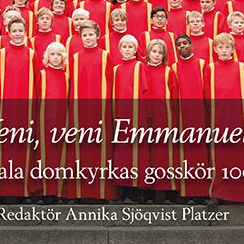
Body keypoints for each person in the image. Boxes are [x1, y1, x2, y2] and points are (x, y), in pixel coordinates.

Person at [203, 33, 244, 204]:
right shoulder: (210, 68)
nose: (224, 50)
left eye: (227, 47)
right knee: (220, 155)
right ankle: (218, 193)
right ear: (215, 49)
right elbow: (206, 94)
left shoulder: (242, 68)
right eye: (221, 47)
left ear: (233, 49)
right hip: (219, 116)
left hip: (239, 115)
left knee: (242, 154)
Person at [0, 16, 38, 199]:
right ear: (8, 33)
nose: (17, 34)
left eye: (20, 31)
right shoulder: (2, 53)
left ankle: (23, 191)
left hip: (25, 109)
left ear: (26, 33)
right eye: (14, 31)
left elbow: (37, 82)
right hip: (5, 108)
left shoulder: (32, 54)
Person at [69, 21, 117, 201]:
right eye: (84, 35)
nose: (88, 38)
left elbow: (110, 83)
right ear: (80, 37)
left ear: (97, 35)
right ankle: (79, 192)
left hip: (100, 108)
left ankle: (103, 192)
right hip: (80, 108)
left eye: (91, 34)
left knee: (101, 149)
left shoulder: (106, 56)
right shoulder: (75, 57)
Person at [112, 34, 150, 200]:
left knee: (136, 151)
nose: (127, 50)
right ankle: (124, 189)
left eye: (130, 47)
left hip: (136, 115)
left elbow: (145, 91)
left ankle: (136, 191)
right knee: (122, 153)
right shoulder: (116, 69)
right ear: (119, 49)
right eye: (124, 47)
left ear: (136, 50)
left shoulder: (139, 66)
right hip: (121, 115)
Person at [172, 34, 209, 200]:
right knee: (185, 153)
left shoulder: (202, 64)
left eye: (185, 43)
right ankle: (186, 192)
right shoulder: (173, 67)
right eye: (178, 44)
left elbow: (208, 89)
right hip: (182, 114)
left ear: (191, 45)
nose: (182, 47)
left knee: (201, 152)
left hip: (200, 113)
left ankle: (202, 191)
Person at [144, 39, 179, 202]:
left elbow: (174, 95)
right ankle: (148, 192)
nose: (157, 55)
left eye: (160, 52)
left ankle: (166, 191)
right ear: (148, 52)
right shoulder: (141, 69)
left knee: (164, 154)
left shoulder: (168, 71)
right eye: (154, 51)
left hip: (164, 116)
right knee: (147, 154)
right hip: (145, 116)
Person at [37, 42, 69, 201]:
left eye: (58, 55)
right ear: (47, 56)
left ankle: (59, 190)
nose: (55, 58)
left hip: (62, 120)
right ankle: (44, 190)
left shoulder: (66, 76)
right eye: (52, 54)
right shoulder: (42, 74)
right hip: (44, 120)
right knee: (44, 154)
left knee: (60, 154)